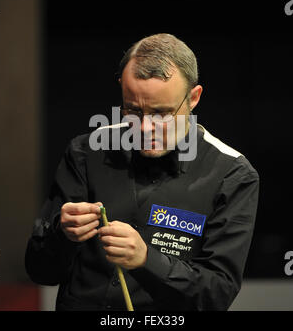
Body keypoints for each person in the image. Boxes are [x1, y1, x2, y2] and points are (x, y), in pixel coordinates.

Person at [25, 33, 259, 311]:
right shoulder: (86, 152)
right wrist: (61, 235)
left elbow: (216, 295)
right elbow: (40, 272)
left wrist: (146, 260)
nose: (145, 127)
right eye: (133, 110)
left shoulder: (232, 174)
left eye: (161, 113)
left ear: (193, 98)